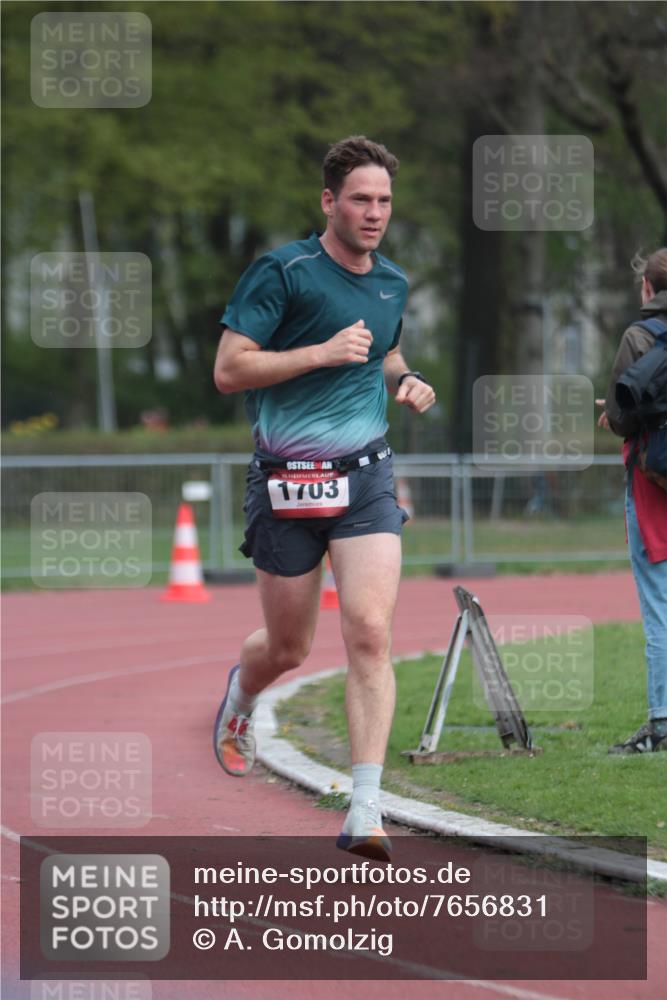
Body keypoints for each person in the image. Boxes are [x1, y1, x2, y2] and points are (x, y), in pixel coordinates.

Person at [212, 136, 436, 859]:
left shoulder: (392, 281)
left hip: (365, 477)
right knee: (288, 647)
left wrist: (404, 379)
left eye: (384, 201)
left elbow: (385, 348)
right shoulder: (283, 271)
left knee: (369, 632)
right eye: (361, 200)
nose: (374, 213)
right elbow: (228, 370)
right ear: (328, 203)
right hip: (285, 480)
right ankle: (241, 701)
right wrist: (319, 352)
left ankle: (365, 808)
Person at [597, 247, 667, 753]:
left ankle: (661, 723)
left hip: (653, 484)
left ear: (648, 288)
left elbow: (625, 414)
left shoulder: (640, 335)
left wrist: (614, 416)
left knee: (660, 605)